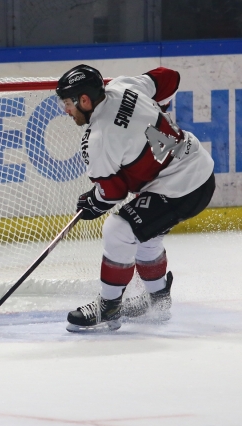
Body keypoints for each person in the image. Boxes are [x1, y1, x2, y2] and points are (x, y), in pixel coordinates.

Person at [56, 64, 215, 332]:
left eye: (68, 103)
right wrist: (153, 113)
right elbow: (169, 77)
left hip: (183, 187)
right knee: (146, 234)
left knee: (118, 229)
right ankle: (158, 301)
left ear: (84, 100)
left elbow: (114, 193)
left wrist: (93, 202)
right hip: (196, 166)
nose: (66, 110)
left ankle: (108, 307)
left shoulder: (100, 139)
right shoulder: (122, 86)